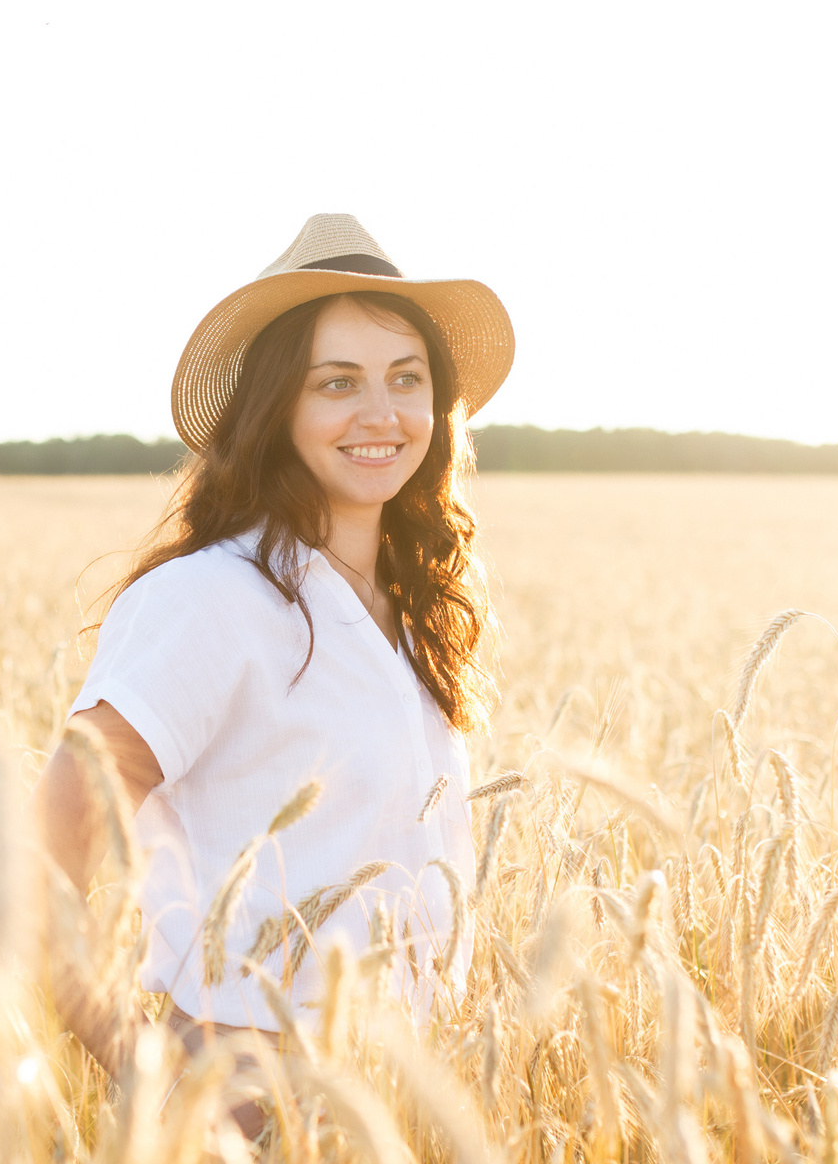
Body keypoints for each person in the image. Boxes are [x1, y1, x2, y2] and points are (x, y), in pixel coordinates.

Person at [34, 213, 515, 1092]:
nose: (381, 413)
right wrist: (154, 1081)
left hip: (408, 1117)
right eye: (338, 382)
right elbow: (40, 870)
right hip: (253, 1114)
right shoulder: (211, 601)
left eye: (405, 378)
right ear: (278, 404)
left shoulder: (410, 614)